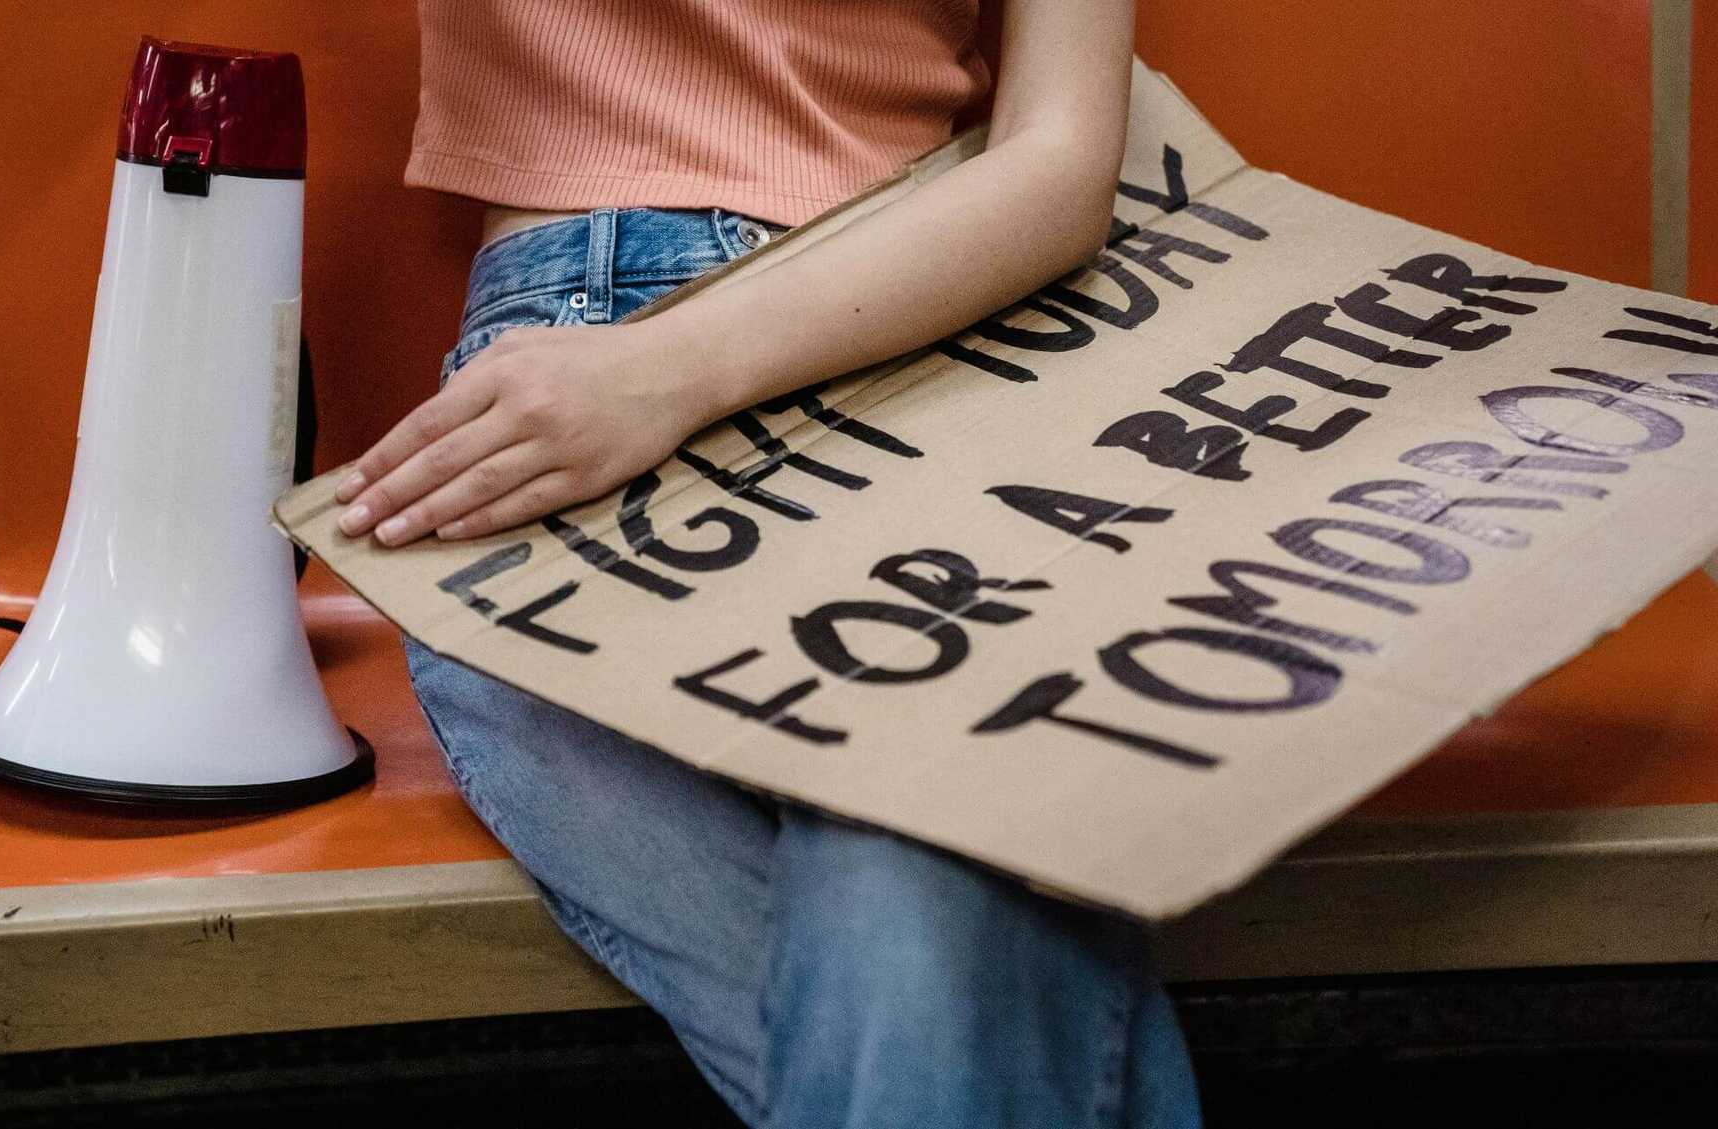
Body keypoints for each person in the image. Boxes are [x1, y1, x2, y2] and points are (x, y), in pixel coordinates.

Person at [334, 2, 1200, 1125]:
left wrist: (668, 371)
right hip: (548, 412)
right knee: (930, 888)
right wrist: (635, 375)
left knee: (916, 873)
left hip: (912, 348)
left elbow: (1063, 162)